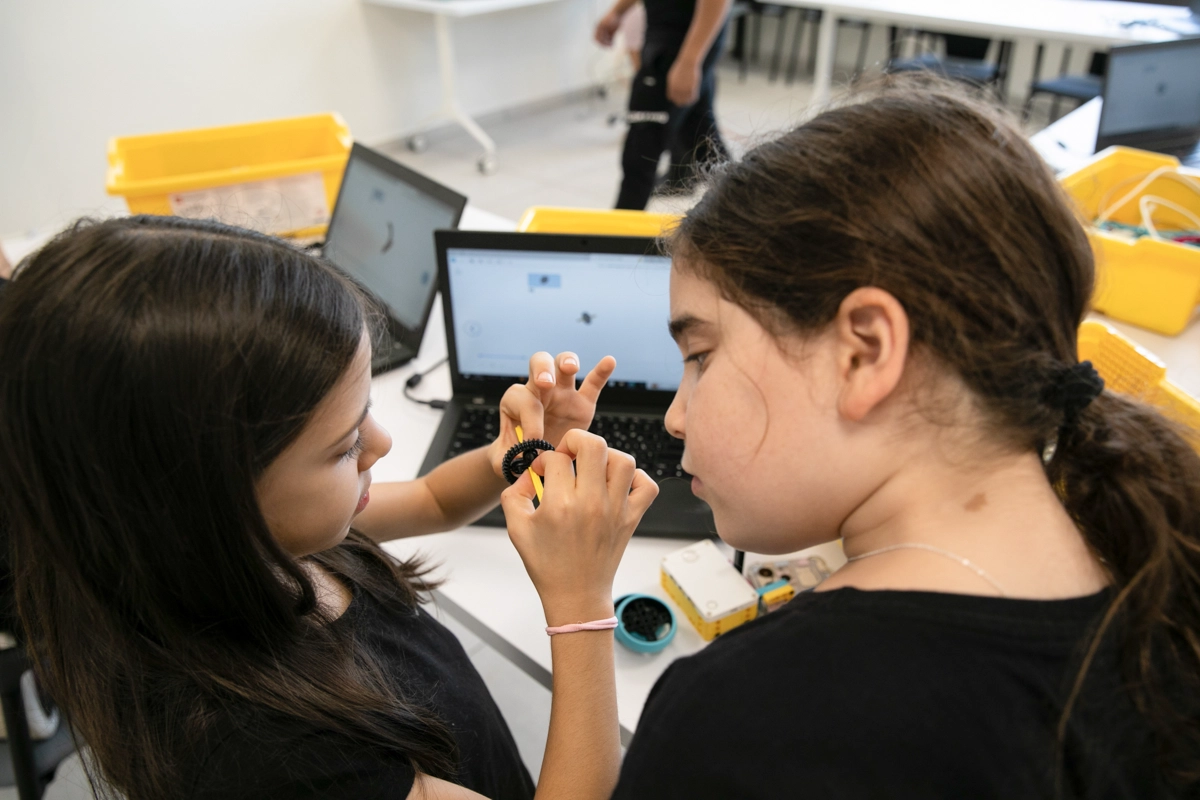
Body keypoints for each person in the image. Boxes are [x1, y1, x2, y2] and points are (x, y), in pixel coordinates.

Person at [611, 79, 1200, 798]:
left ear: (863, 351)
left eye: (701, 356)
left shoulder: (748, 721)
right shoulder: (1159, 591)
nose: (676, 415)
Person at [0, 215, 657, 800]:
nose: (384, 442)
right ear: (213, 495)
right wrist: (581, 607)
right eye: (346, 446)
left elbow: (431, 499)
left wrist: (511, 455)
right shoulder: (283, 759)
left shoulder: (242, 547)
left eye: (365, 412)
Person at [595, 0, 731, 210]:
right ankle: (753, 217)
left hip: (677, 47)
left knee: (639, 158)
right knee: (704, 143)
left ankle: (616, 238)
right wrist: (617, 11)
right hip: (670, 39)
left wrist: (689, 61)